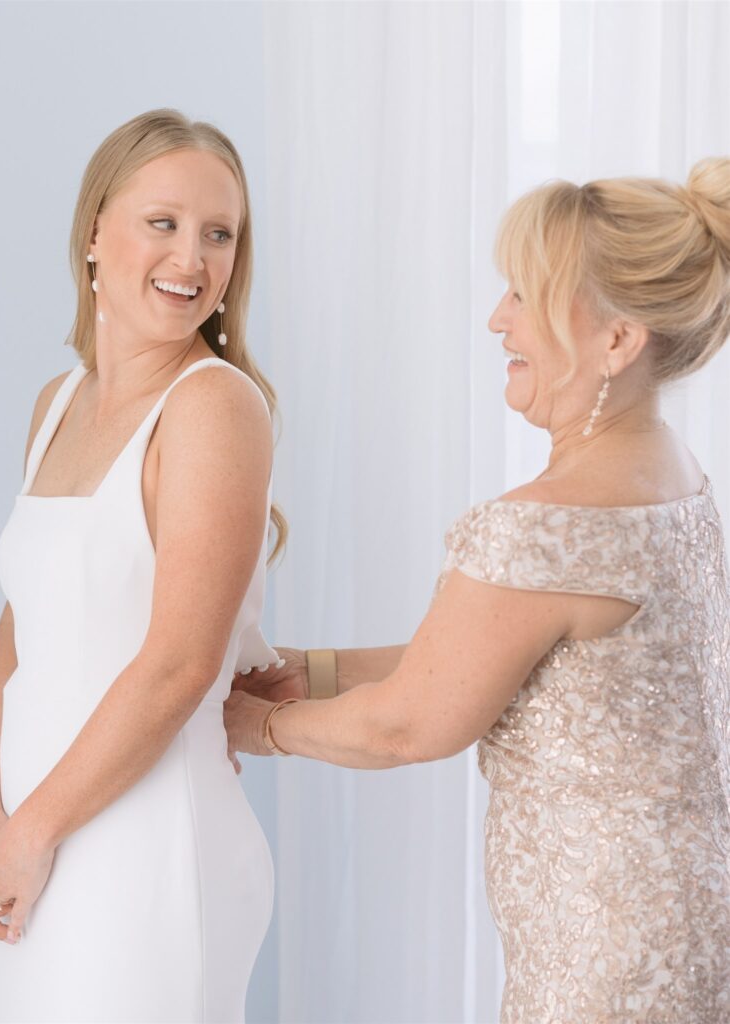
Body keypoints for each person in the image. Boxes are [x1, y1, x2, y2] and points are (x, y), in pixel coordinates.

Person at [226, 160, 730, 1021]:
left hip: (602, 947)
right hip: (686, 911)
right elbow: (486, 657)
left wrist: (262, 726)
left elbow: (409, 722)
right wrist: (308, 669)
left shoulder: (548, 523)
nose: (499, 319)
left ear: (618, 340)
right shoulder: (671, 476)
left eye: (527, 297)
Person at [0, 108, 286, 1023]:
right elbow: (21, 629)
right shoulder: (56, 403)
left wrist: (32, 828)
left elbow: (181, 664)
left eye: (220, 234)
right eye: (164, 223)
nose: (192, 260)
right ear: (95, 231)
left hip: (143, 850)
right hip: (35, 841)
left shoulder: (215, 408)